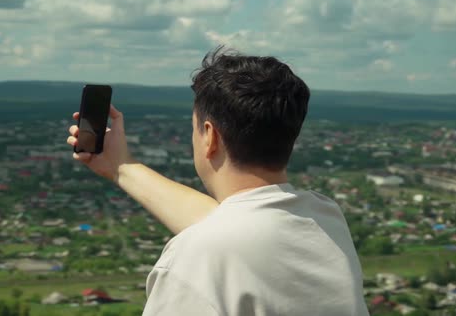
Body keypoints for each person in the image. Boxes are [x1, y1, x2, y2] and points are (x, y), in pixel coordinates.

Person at [67, 47, 369, 315]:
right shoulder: (325, 219)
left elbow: (219, 234)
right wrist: (122, 166)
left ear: (210, 136)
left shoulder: (198, 261)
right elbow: (230, 222)